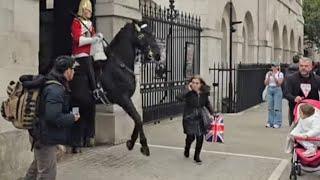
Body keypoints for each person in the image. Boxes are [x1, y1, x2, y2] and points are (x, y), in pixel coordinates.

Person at [25, 56, 80, 180]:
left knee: (37, 168)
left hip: (40, 133)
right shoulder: (55, 89)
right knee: (47, 174)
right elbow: (53, 117)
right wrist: (72, 117)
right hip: (44, 136)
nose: (74, 72)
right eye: (73, 69)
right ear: (67, 70)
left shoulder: (52, 83)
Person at [70, 0, 106, 152]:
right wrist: (92, 38)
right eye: (88, 10)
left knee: (96, 66)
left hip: (90, 55)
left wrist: (98, 38)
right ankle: (95, 89)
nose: (89, 13)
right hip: (79, 56)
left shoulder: (89, 24)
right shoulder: (76, 22)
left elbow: (93, 43)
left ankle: (97, 87)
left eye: (91, 11)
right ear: (83, 10)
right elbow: (78, 40)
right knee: (87, 63)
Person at [177, 75, 214, 164]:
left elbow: (207, 103)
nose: (194, 85)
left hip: (200, 117)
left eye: (197, 83)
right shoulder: (188, 92)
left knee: (200, 137)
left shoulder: (204, 93)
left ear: (201, 84)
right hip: (189, 118)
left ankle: (196, 156)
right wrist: (187, 90)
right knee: (190, 137)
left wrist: (212, 113)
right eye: (193, 83)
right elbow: (178, 97)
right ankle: (187, 147)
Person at [285, 57, 320, 126]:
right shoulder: (291, 78)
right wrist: (294, 98)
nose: (303, 68)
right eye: (301, 66)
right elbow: (287, 93)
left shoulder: (317, 79)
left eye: (306, 66)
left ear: (311, 67)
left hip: (314, 113)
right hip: (297, 112)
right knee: (297, 134)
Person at [264, 63, 284, 128]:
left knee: (277, 107)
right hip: (270, 89)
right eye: (272, 66)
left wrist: (274, 76)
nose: (274, 67)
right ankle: (270, 122)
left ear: (277, 67)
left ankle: (277, 122)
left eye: (275, 66)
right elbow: (266, 83)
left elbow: (279, 83)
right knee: (270, 107)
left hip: (277, 90)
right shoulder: (268, 73)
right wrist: (269, 76)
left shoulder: (280, 74)